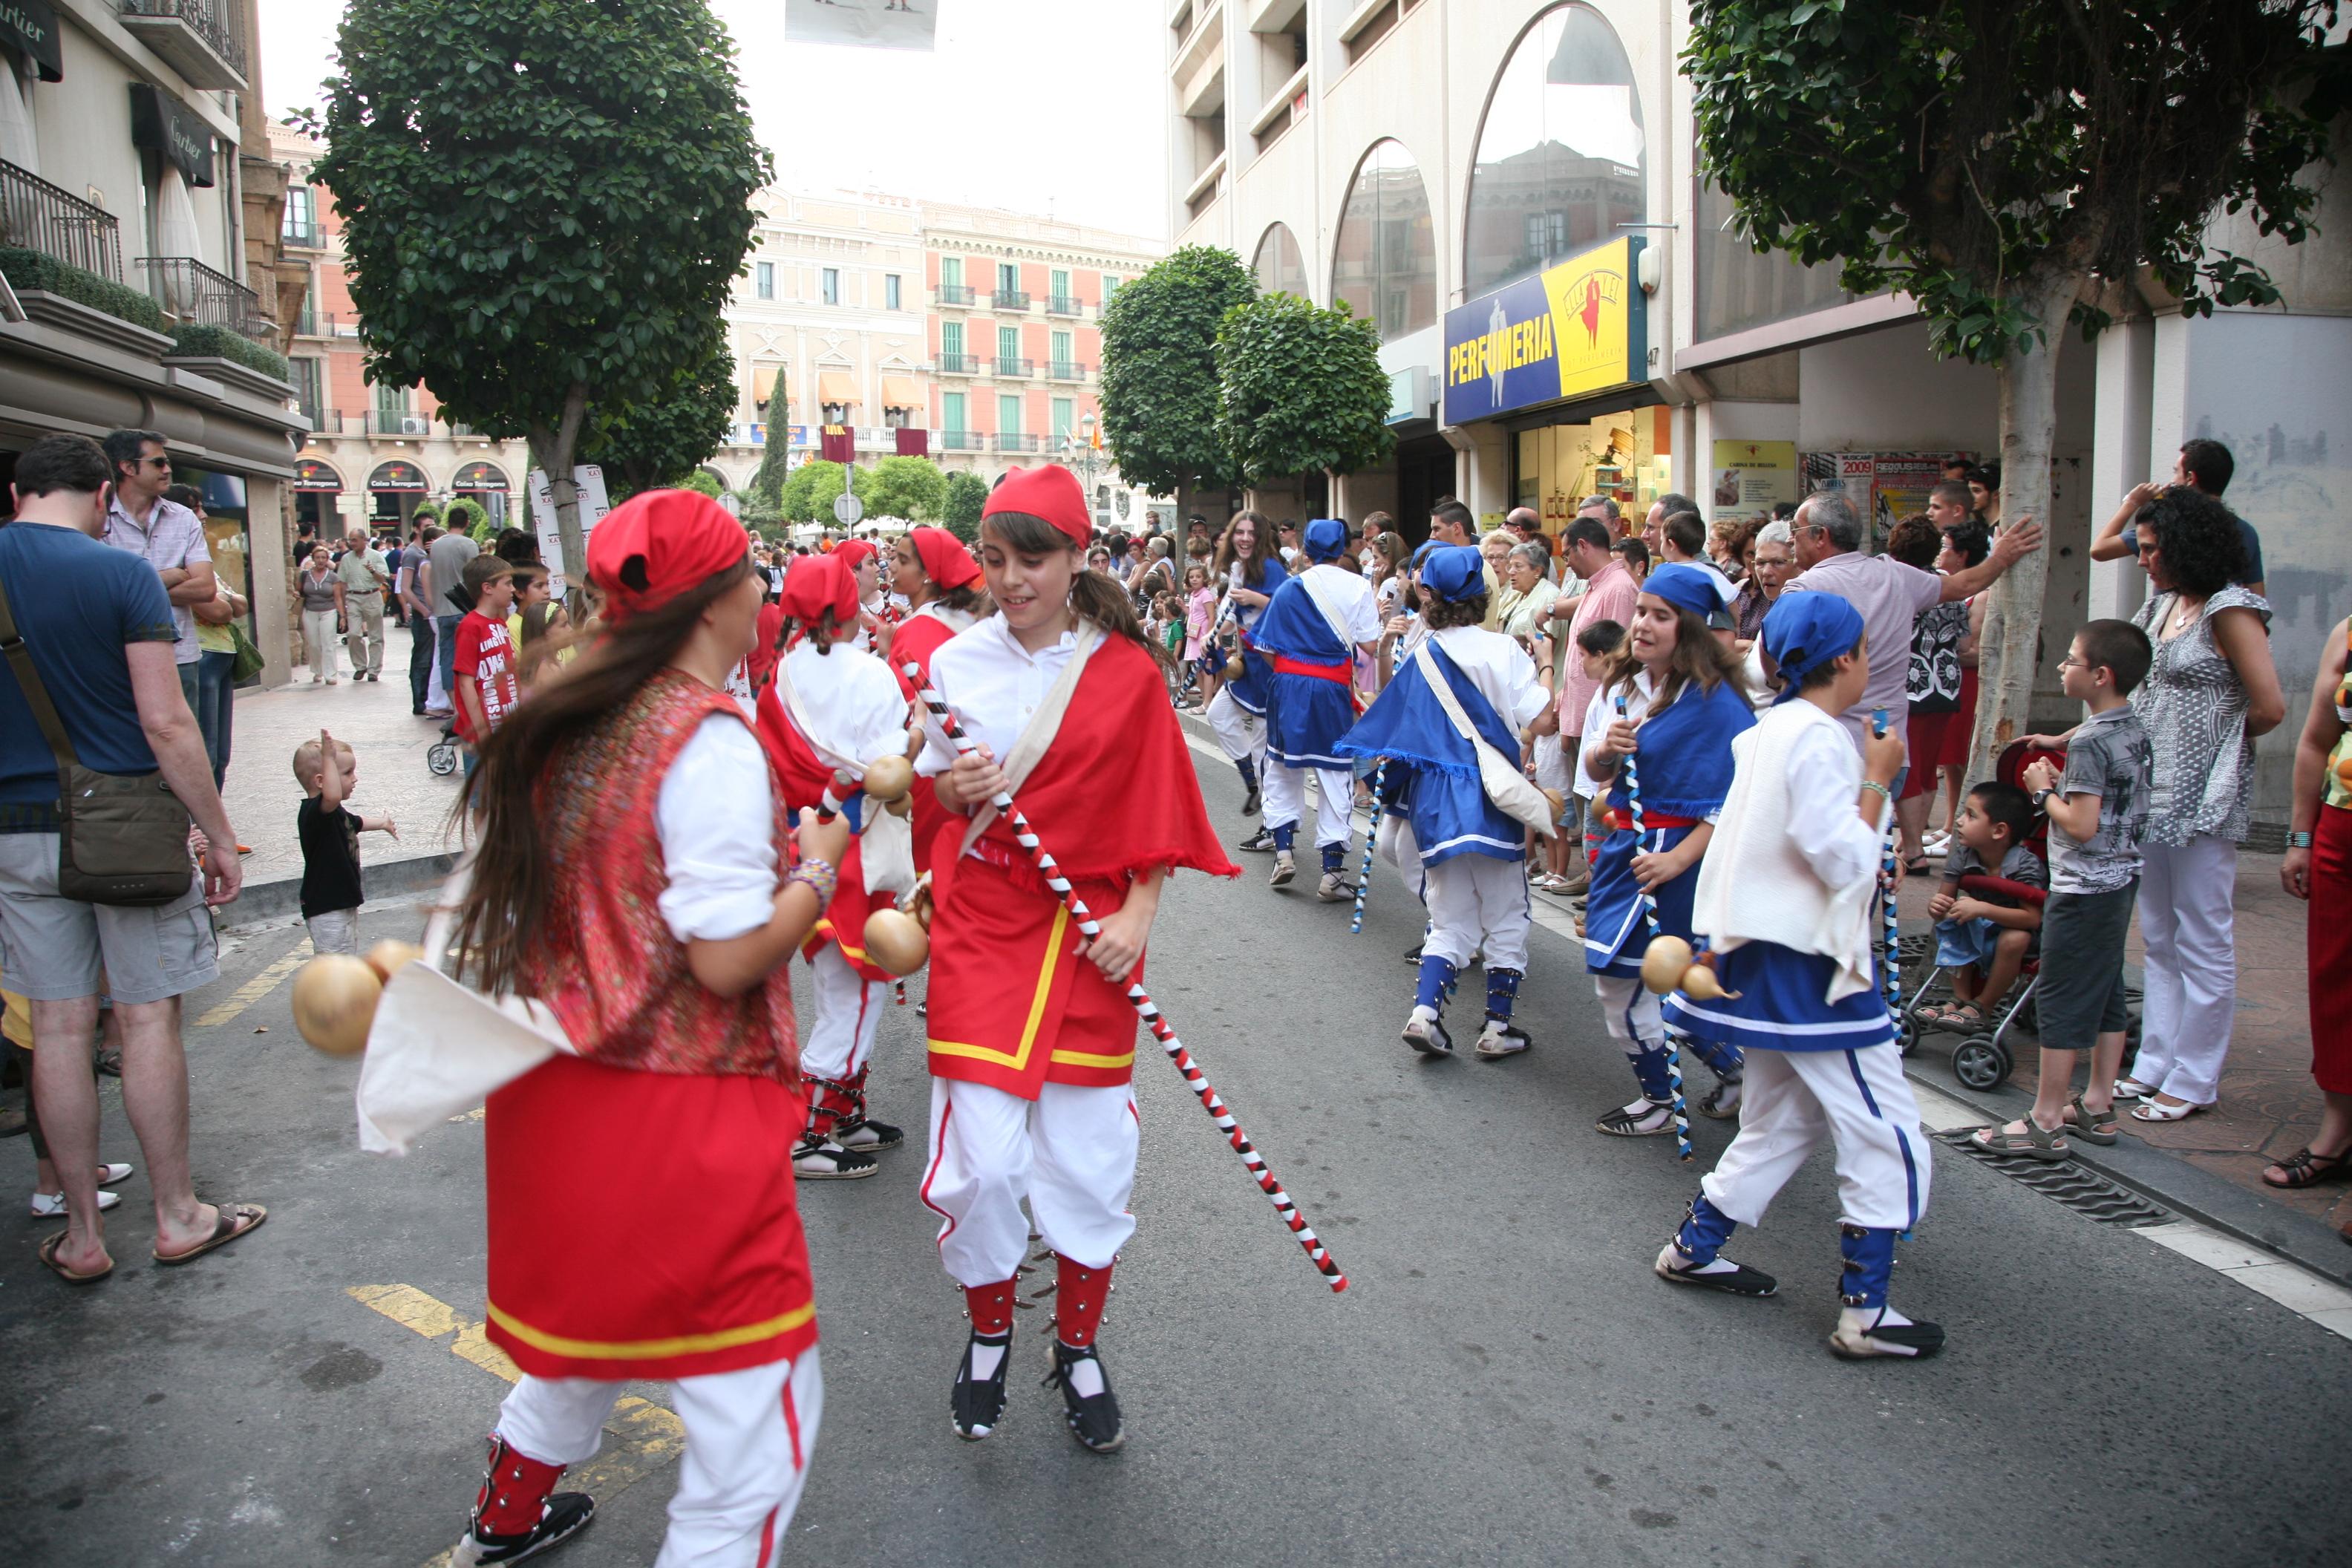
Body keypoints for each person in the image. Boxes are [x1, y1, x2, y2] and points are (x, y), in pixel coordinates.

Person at [438, 487, 841, 1565]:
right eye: (754, 572)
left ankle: (507, 1514)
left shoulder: (570, 717)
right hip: (673, 1122)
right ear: (720, 602)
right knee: (759, 1438)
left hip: (556, 1105)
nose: (766, 589)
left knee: (582, 1335)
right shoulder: (703, 741)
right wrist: (815, 874)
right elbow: (722, 961)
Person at [913, 464, 1234, 1452]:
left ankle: (1079, 1346)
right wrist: (958, 788)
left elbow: (1161, 811)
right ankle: (991, 1329)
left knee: (1091, 1165)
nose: (1011, 580)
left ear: (1080, 559)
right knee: (979, 1162)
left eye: (1033, 560)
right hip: (986, 927)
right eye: (996, 559)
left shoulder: (1129, 673)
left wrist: (1140, 913)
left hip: (1092, 936)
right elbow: (924, 794)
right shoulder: (955, 667)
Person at [1653, 592, 1942, 1361]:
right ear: (1846, 658)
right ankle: (1866, 1313)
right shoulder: (1817, 738)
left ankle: (1693, 1247)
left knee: (1785, 1120)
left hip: (1759, 954)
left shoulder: (1770, 730)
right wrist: (1880, 780)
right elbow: (1844, 858)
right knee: (1886, 1131)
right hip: (1812, 968)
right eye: (1865, 651)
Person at [0, 434, 249, 1286]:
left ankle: (79, 1233)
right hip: (127, 828)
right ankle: (178, 1216)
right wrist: (216, 832)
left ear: (15, 491)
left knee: (59, 1027)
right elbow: (169, 722)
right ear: (105, 497)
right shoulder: (121, 576)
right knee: (145, 1018)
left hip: (15, 830)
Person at [2106, 487, 2285, 1120]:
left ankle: (2196, 1075)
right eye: (2142, 548)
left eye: (2153, 549)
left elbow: (2269, 705)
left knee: (2203, 936)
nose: (2142, 559)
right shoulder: (2160, 607)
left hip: (2203, 797)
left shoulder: (2231, 610)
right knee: (2158, 936)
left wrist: (2216, 750)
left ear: (2186, 547)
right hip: (2150, 792)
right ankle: (2156, 1060)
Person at [1339, 546, 1557, 1056]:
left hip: (1435, 802)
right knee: (1506, 913)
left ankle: (1426, 1014)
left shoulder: (1423, 655)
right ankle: (1498, 1028)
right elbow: (1542, 720)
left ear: (1429, 597)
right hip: (1490, 795)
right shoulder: (1503, 650)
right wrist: (1545, 666)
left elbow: (1393, 732)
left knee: (1450, 917)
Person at [757, 552, 916, 1180]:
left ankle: (845, 1114)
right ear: (850, 604)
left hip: (808, 843)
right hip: (859, 845)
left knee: (847, 988)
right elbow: (889, 771)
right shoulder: (871, 675)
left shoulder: (781, 674)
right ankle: (809, 1132)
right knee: (854, 995)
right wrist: (917, 735)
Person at [1579, 565, 1755, 1134]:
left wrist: (1678, 860)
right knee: (1664, 979)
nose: (1644, 625)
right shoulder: (1623, 685)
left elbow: (1727, 806)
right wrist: (1606, 748)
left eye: (1662, 615)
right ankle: (1734, 1070)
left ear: (1690, 629)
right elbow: (1594, 770)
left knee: (1627, 982)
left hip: (1676, 860)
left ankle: (1659, 1099)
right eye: (1641, 612)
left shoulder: (1719, 706)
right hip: (1625, 850)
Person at [1973, 621, 2155, 1158]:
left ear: (2100, 675)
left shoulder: (2093, 745)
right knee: (2105, 989)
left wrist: (2043, 790)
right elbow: (2097, 739)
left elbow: (2079, 825)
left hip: (2081, 887)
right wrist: (2060, 741)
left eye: (2071, 660)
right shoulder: (2130, 726)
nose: (2062, 666)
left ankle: (2046, 1119)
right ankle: (2097, 1103)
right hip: (2122, 879)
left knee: (2060, 995)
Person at [1780, 490, 2041, 765]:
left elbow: (1774, 663)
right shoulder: (1896, 576)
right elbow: (1962, 586)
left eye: (1795, 530)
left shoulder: (1802, 589)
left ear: (1821, 536)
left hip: (1827, 752)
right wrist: (1999, 558)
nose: (1789, 538)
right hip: (1885, 750)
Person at [1251, 518, 1382, 899]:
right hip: (1332, 689)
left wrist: (1294, 673)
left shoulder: (1291, 588)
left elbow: (1265, 648)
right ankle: (1331, 873)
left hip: (1288, 686)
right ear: (1344, 549)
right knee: (1334, 775)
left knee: (1280, 768)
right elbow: (1370, 647)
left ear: (1306, 550)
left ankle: (1284, 853)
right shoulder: (1358, 585)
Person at [2269, 615, 2352, 1191]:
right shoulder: (2348, 632)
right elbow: (2317, 740)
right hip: (2340, 831)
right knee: (2335, 981)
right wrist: (2301, 838)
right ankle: (2338, 1131)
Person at [1545, 517, 1641, 896]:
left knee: (1598, 801)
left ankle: (1599, 879)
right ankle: (1592, 875)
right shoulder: (1597, 585)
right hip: (1583, 710)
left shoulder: (1617, 587)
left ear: (1584, 545)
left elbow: (1613, 656)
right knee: (1586, 799)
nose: (1566, 562)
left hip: (1600, 713)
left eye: (1567, 553)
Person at [99, 431, 215, 736]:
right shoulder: (98, 518)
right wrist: (166, 576)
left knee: (184, 745)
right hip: (116, 657)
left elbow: (204, 589)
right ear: (127, 467)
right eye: (158, 462)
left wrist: (132, 587)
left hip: (180, 657)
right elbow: (101, 593)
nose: (168, 469)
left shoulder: (183, 519)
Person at [1918, 782, 2042, 1034]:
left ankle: (1982, 1007)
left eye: (1971, 815)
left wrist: (1982, 909)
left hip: (2019, 938)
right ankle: (1960, 1000)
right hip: (1978, 930)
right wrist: (1937, 906)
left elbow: (2032, 918)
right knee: (1955, 918)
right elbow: (1943, 906)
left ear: (1999, 831)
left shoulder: (2025, 866)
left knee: (2014, 938)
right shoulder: (1964, 856)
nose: (1960, 821)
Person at [2088, 438, 2267, 595]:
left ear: (2190, 478)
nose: (2171, 482)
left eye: (2176, 472)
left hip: (2175, 624)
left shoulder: (2170, 525)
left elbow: (2099, 550)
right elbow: (2257, 598)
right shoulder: (2246, 532)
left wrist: (2132, 502)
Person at [1209, 512, 1286, 830]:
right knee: (1218, 715)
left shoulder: (1272, 568)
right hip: (1248, 665)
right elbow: (1230, 615)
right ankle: (1253, 784)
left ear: (1261, 536)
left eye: (1250, 533)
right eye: (1238, 532)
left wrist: (1257, 598)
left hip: (1270, 667)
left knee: (1262, 749)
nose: (1243, 538)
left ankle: (1273, 824)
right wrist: (1211, 636)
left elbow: (1289, 608)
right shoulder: (1238, 569)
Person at [293, 729, 396, 957]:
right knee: (334, 966)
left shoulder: (334, 812)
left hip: (342, 901)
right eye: (347, 773)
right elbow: (332, 796)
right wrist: (328, 758)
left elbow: (356, 823)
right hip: (326, 906)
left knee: (344, 960)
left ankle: (343, 993)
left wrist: (382, 823)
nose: (355, 778)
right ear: (321, 781)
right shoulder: (314, 813)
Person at [1883, 514, 1947, 872]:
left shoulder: (1895, 582)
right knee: (1928, 767)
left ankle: (1912, 847)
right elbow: (1963, 635)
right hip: (1946, 684)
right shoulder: (1944, 584)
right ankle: (1917, 840)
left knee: (1905, 764)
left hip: (1910, 686)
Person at [452, 555, 522, 774]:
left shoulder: (500, 624)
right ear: (488, 588)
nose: (513, 589)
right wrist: (481, 731)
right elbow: (466, 684)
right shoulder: (471, 626)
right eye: (508, 583)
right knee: (482, 802)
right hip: (483, 733)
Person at [427, 517, 482, 699]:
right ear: (467, 522)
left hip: (442, 611)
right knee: (469, 660)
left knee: (447, 658)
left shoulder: (435, 546)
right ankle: (468, 703)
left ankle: (455, 707)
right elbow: (475, 576)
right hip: (465, 610)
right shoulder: (468, 544)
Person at [336, 528, 392, 682]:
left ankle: (374, 670)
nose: (351, 543)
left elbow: (383, 579)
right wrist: (342, 610)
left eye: (354, 540)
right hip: (354, 597)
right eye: (350, 540)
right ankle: (360, 666)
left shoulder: (376, 556)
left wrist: (373, 571)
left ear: (363, 540)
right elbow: (341, 583)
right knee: (353, 634)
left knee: (375, 636)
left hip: (372, 596)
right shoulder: (346, 559)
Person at [400, 524, 440, 714]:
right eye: (425, 526)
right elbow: (405, 587)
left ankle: (426, 701)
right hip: (426, 615)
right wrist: (424, 610)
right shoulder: (414, 556)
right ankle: (421, 703)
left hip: (432, 614)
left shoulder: (430, 559)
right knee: (423, 660)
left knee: (432, 658)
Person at [295, 543, 345, 685]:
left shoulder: (333, 577)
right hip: (310, 611)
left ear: (327, 559)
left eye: (323, 557)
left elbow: (338, 598)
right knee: (314, 644)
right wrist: (297, 593)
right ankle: (317, 671)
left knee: (328, 643)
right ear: (313, 559)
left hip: (328, 611)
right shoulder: (305, 575)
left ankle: (330, 674)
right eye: (318, 558)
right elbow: (299, 590)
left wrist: (342, 616)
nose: (321, 560)